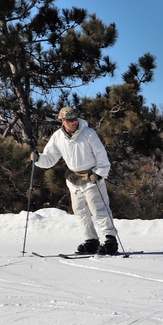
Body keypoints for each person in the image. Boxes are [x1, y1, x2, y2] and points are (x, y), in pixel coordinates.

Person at [31, 107, 120, 255]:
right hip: (74, 179)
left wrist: (98, 174)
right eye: (70, 120)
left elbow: (102, 158)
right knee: (80, 212)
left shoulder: (89, 134)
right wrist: (39, 158)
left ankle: (110, 240)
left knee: (99, 209)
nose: (74, 122)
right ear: (63, 121)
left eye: (75, 119)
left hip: (92, 178)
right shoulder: (58, 137)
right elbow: (49, 158)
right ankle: (91, 241)